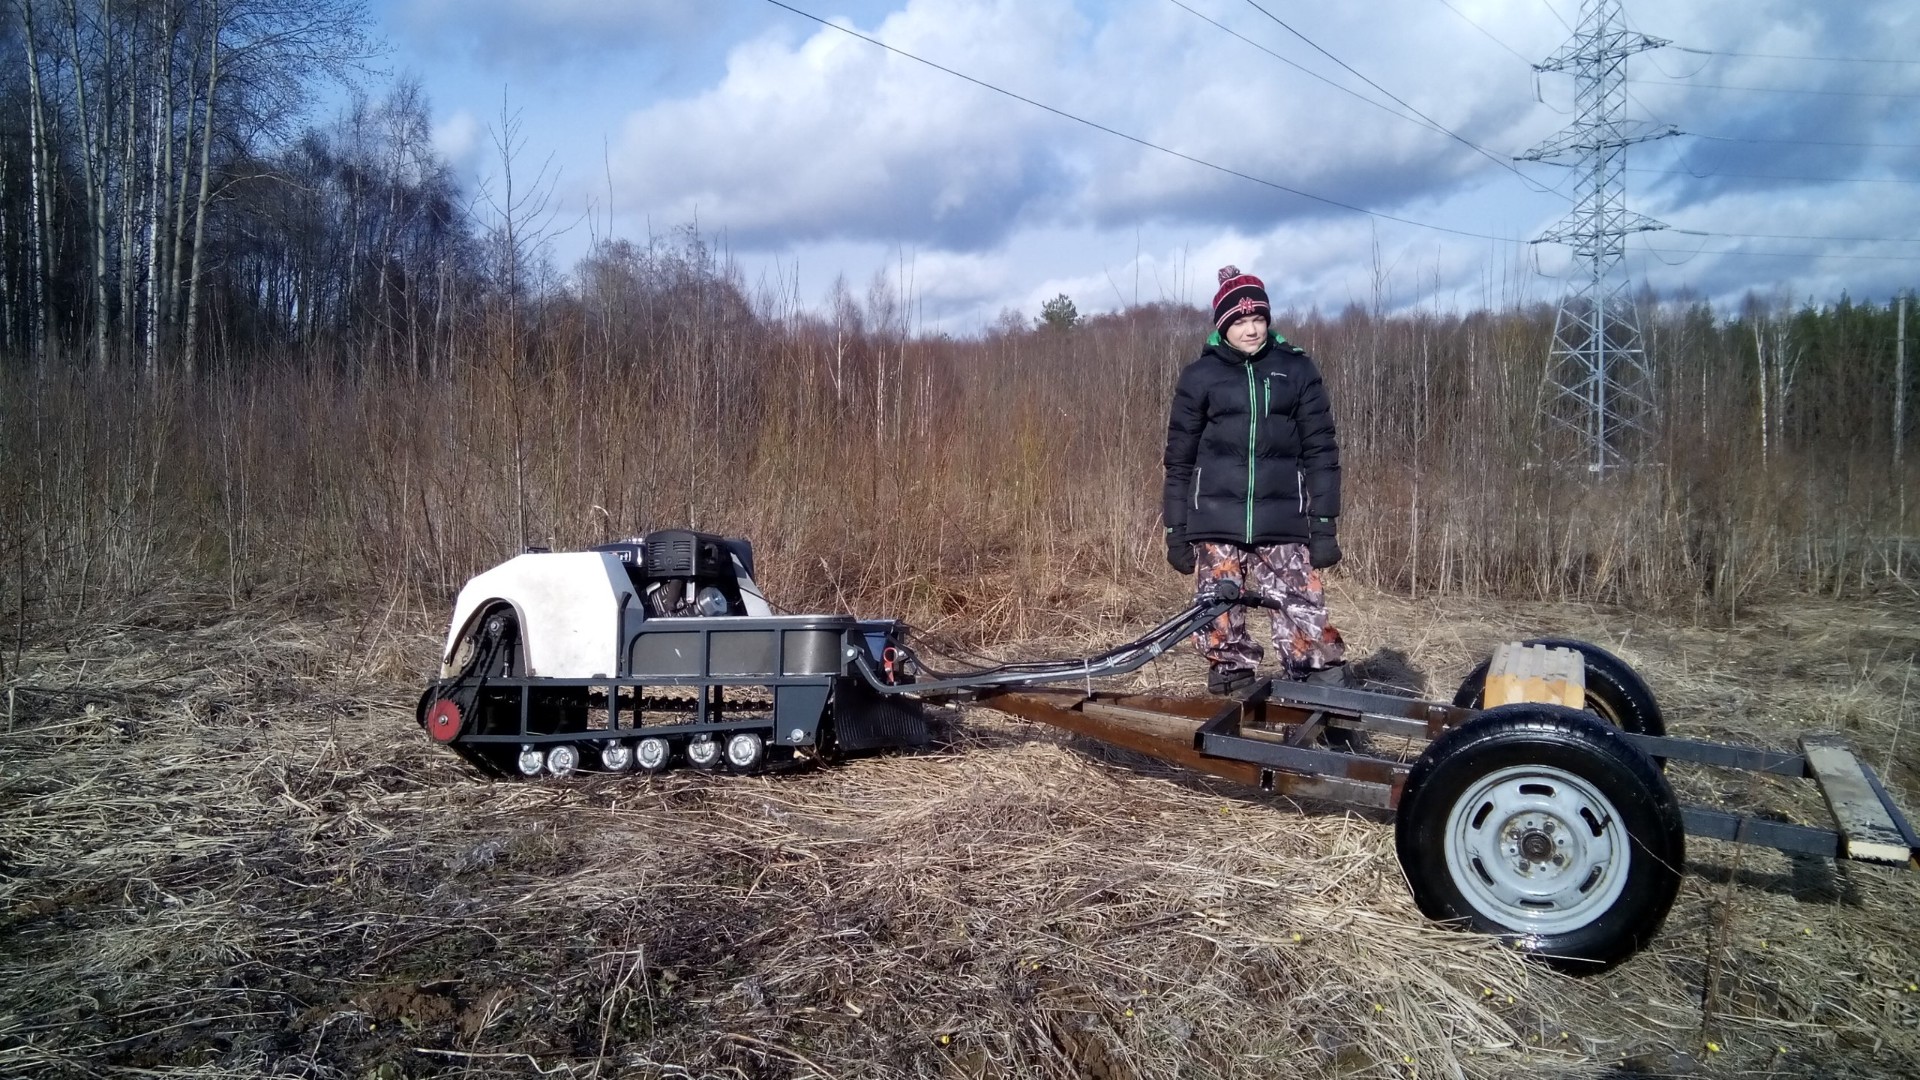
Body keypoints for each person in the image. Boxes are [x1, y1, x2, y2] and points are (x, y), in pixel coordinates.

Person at [1162, 266, 1348, 696]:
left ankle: (1329, 706)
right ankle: (1236, 701)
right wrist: (1176, 530)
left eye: (1257, 319)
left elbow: (1322, 451)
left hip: (1284, 521)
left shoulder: (1296, 370)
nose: (1251, 330)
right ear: (1223, 326)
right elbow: (1178, 461)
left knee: (1304, 616)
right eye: (1240, 322)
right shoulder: (1199, 377)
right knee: (1219, 620)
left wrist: (1323, 524)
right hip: (1216, 522)